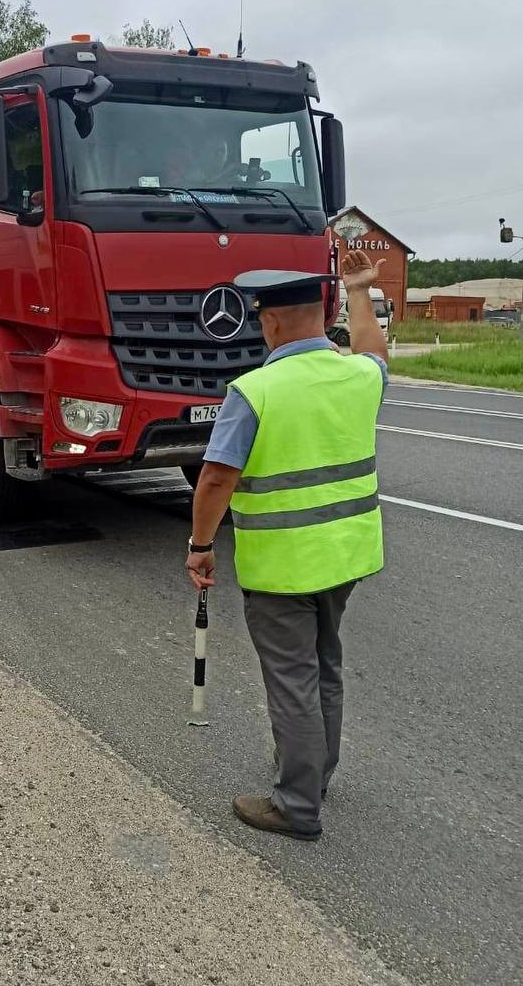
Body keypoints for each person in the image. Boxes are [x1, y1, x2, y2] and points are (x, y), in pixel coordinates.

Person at [184, 249, 388, 840]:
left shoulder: (254, 390)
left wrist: (200, 546)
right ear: (321, 319)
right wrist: (359, 291)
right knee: (325, 665)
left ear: (268, 322)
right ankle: (315, 773)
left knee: (292, 677)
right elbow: (375, 352)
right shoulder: (358, 375)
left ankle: (297, 805)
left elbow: (217, 477)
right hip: (346, 555)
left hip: (283, 565)